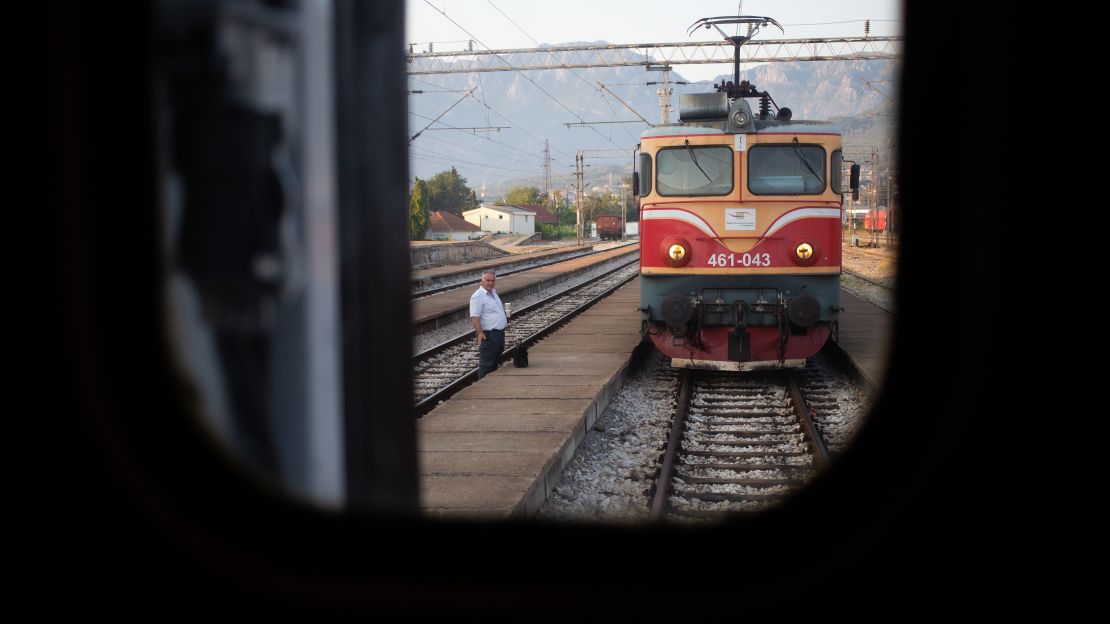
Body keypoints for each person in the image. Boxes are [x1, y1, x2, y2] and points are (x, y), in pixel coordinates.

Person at [469, 270, 508, 378]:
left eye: (493, 280)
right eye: (488, 280)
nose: (490, 283)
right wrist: (480, 333)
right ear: (482, 281)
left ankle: (490, 382)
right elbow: (474, 316)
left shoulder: (493, 293)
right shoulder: (478, 296)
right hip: (489, 335)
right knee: (487, 364)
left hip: (498, 334)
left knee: (494, 362)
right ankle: (482, 386)